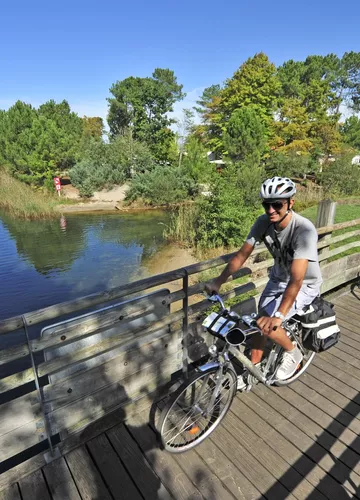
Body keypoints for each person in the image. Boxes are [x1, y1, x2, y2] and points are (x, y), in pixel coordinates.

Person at [206, 176, 322, 386]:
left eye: (277, 204)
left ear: (290, 203)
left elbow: (297, 279)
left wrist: (279, 315)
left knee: (270, 324)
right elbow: (241, 256)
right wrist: (218, 282)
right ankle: (253, 369)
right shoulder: (263, 223)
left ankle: (293, 352)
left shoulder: (304, 230)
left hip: (305, 284)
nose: (271, 210)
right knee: (261, 321)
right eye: (266, 205)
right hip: (278, 279)